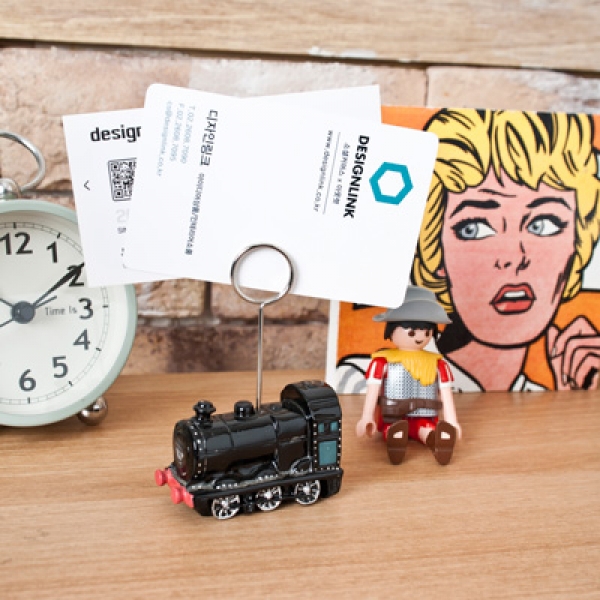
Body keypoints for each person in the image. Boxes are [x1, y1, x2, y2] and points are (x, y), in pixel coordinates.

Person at [412, 109, 600, 391]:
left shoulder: (546, 390)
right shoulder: (364, 378)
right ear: (437, 251)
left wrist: (572, 398)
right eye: (474, 228)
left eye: (543, 224)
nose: (514, 258)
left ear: (577, 242)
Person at [356, 286, 462, 465]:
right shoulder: (383, 361)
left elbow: (446, 393)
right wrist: (367, 417)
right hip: (393, 415)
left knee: (426, 429)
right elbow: (373, 391)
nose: (420, 337)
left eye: (426, 332)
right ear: (391, 330)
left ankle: (436, 440)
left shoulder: (437, 363)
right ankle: (396, 440)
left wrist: (452, 421)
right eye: (411, 332)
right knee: (394, 429)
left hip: (425, 415)